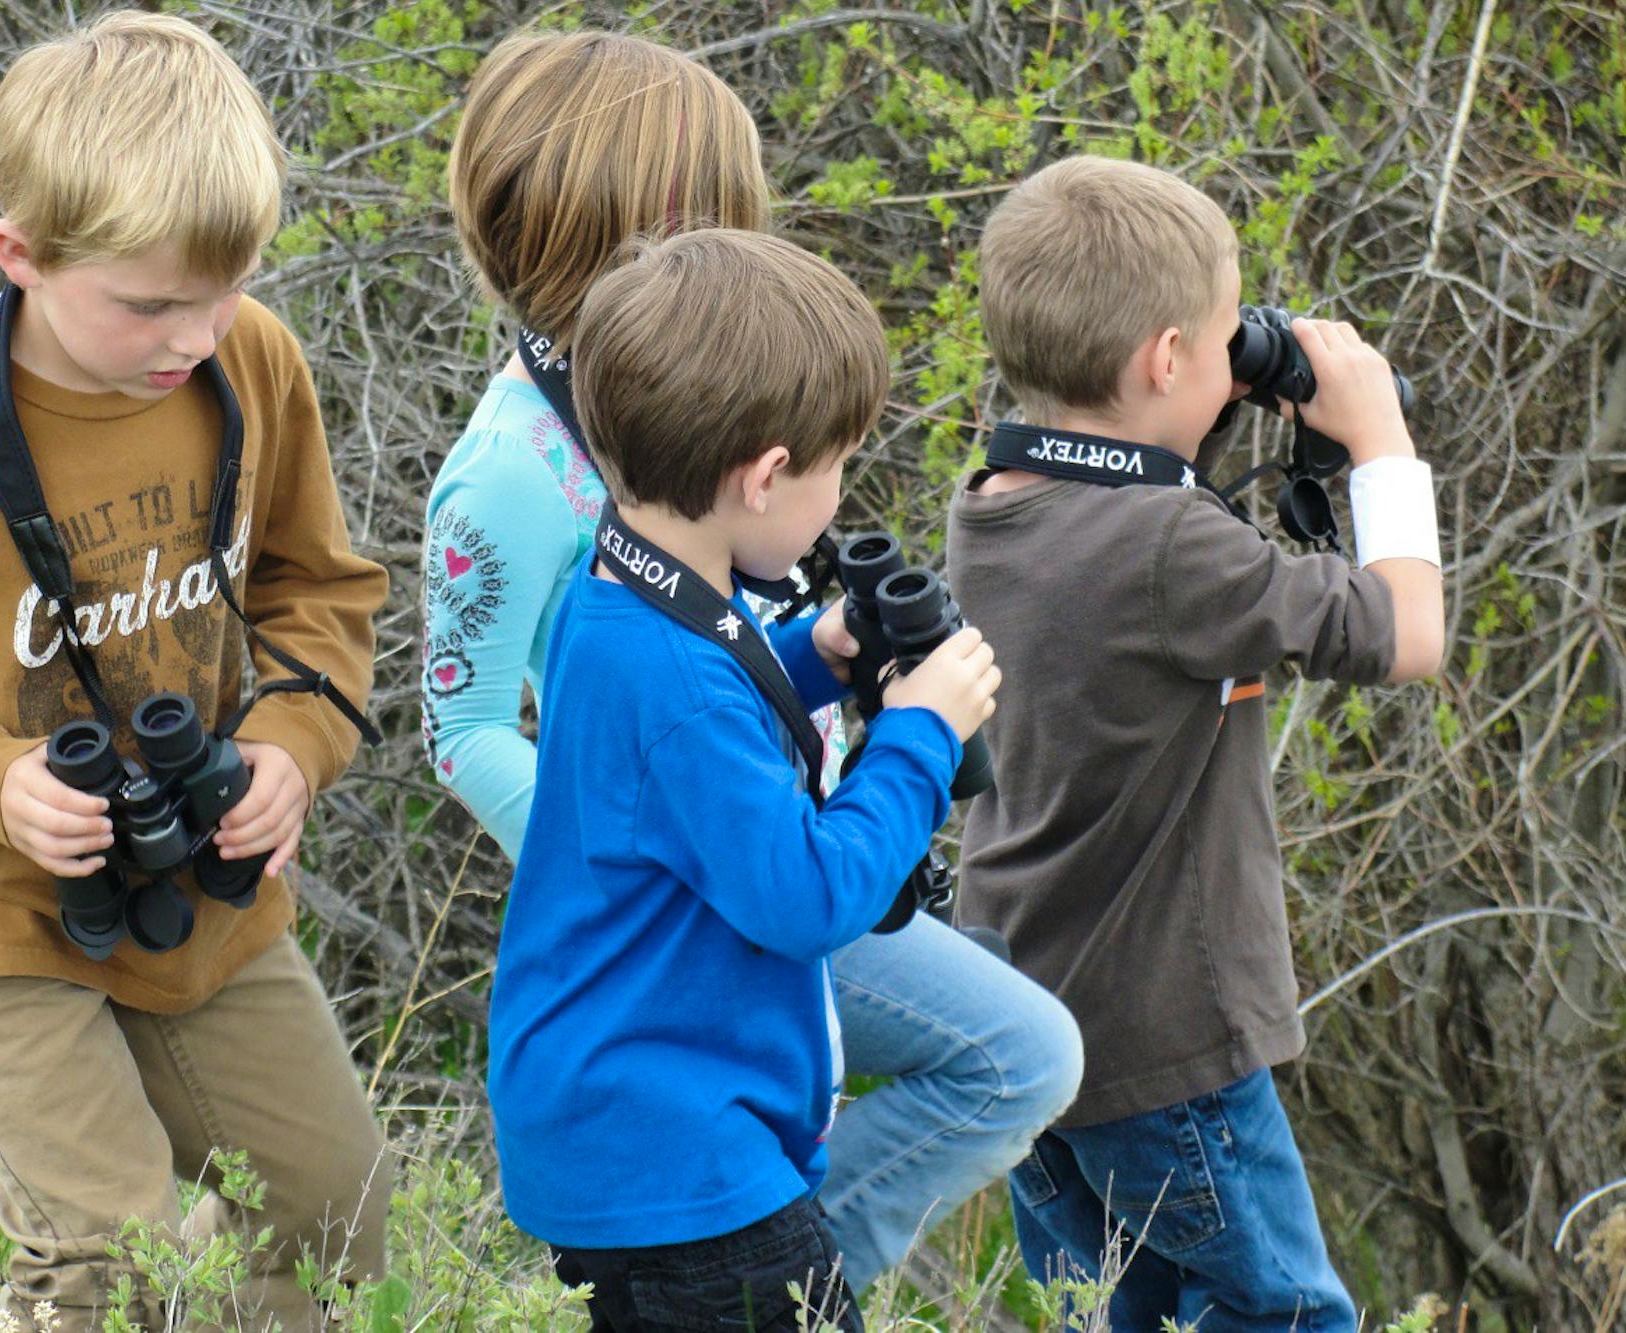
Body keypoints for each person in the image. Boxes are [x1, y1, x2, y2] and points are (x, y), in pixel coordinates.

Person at [0, 13, 392, 1329]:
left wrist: (288, 744)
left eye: (226, 289)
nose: (196, 334)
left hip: (193, 873)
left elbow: (318, 588)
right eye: (151, 303)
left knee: (333, 1201)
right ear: (21, 255)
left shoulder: (251, 363)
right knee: (110, 1257)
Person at [423, 30, 1081, 1293]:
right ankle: (758, 1267)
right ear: (632, 233)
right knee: (1008, 1056)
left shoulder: (681, 401)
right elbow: (464, 726)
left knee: (1019, 1052)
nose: (744, 243)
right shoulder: (511, 468)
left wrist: (818, 661)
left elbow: (694, 660)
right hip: (710, 886)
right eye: (716, 221)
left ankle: (764, 1262)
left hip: (760, 842)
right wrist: (622, 876)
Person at [947, 154, 1446, 1329]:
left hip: (1027, 1019)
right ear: (1165, 361)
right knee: (1285, 1314)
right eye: (1226, 341)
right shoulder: (1169, 549)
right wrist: (1374, 438)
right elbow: (1404, 633)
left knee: (1127, 1313)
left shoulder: (996, 502)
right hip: (1163, 1046)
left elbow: (1135, 512)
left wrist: (1212, 409)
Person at [490, 226, 1006, 1330]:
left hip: (614, 1130)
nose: (835, 498)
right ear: (765, 475)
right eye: (834, 469)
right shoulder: (675, 668)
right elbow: (807, 897)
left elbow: (677, 743)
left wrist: (807, 662)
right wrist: (917, 734)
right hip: (681, 1173)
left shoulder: (617, 587)